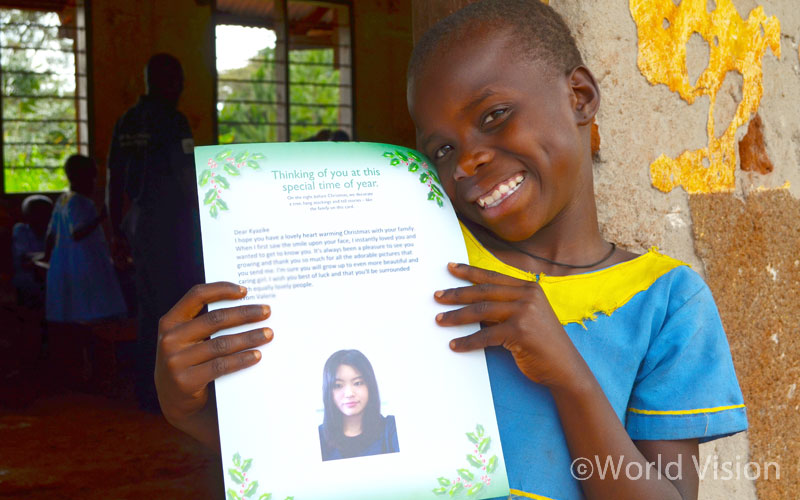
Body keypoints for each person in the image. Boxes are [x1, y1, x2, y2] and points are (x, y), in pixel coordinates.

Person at [154, 1, 747, 499]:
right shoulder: (417, 266)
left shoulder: (668, 301)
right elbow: (320, 459)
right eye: (440, 148)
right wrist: (188, 408)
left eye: (494, 116)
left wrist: (567, 371)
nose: (466, 161)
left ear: (581, 97)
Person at [107, 53, 203, 411]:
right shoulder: (174, 121)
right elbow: (187, 176)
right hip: (171, 225)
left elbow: (113, 178)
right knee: (179, 309)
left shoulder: (126, 121)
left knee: (149, 309)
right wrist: (205, 217)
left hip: (138, 222)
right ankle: (170, 393)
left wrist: (116, 230)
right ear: (171, 82)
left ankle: (146, 390)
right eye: (178, 81)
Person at [318, 349, 399, 461]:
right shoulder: (318, 439)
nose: (349, 393)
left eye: (358, 383)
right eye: (338, 385)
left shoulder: (391, 428)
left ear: (370, 386)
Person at [12, 194, 52, 308]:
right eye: (37, 213)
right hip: (28, 279)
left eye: (45, 213)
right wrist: (47, 256)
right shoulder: (21, 230)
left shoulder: (50, 232)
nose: (42, 217)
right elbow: (24, 258)